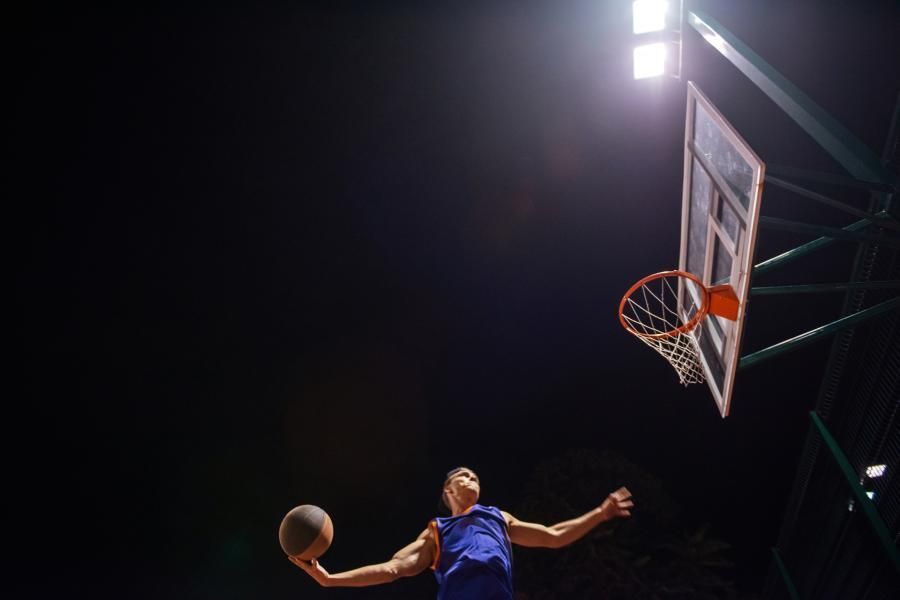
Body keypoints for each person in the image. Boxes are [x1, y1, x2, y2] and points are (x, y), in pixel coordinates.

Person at [291, 466, 634, 599]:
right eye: (465, 476)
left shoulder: (498, 517)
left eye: (476, 478)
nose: (473, 480)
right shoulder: (435, 532)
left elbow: (554, 534)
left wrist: (600, 514)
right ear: (447, 490)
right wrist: (330, 579)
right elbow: (393, 569)